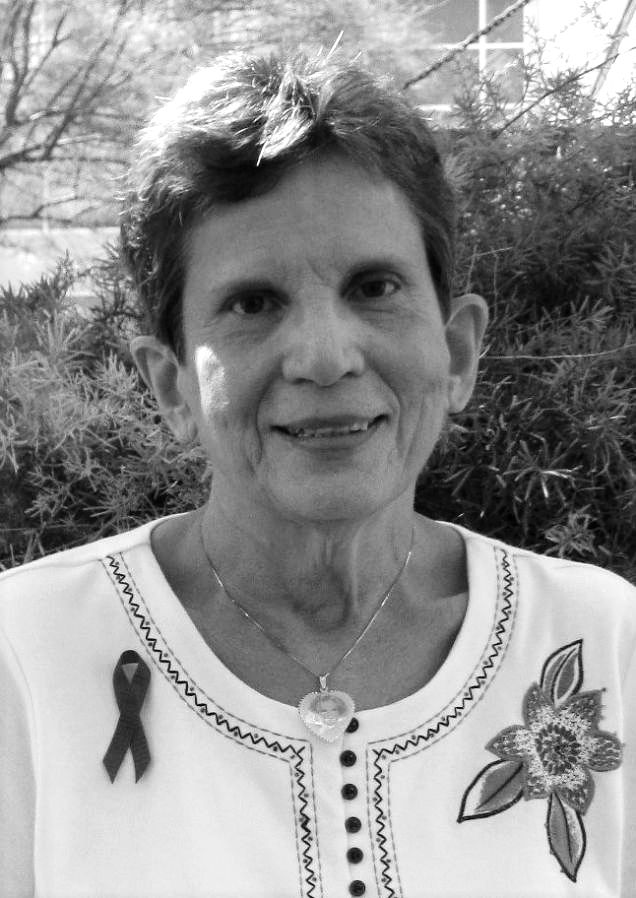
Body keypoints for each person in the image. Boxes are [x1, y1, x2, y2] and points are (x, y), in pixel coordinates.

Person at [1, 50, 634, 898]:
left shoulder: (603, 645)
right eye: (253, 303)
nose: (326, 357)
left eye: (374, 287)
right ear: (171, 384)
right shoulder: (27, 655)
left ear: (457, 352)